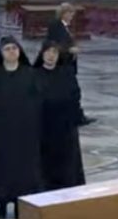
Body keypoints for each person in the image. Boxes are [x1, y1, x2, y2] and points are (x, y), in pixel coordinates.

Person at [0, 36, 42, 219]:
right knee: (3, 168)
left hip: (25, 131)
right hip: (2, 130)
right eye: (7, 49)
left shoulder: (30, 73)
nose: (11, 51)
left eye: (14, 48)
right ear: (1, 53)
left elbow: (38, 101)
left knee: (24, 169)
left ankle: (21, 204)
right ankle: (2, 204)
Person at [35, 40, 86, 190]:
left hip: (65, 127)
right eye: (48, 52)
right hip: (44, 127)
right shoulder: (34, 75)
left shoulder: (66, 73)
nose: (51, 56)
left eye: (55, 52)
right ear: (42, 54)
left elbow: (75, 95)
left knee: (67, 164)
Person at [47, 2, 95, 126]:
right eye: (69, 13)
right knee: (72, 91)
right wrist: (69, 49)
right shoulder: (55, 26)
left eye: (72, 13)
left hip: (69, 64)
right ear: (63, 13)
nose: (71, 16)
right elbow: (52, 43)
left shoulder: (65, 27)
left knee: (73, 91)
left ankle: (77, 116)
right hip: (62, 64)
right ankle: (76, 117)